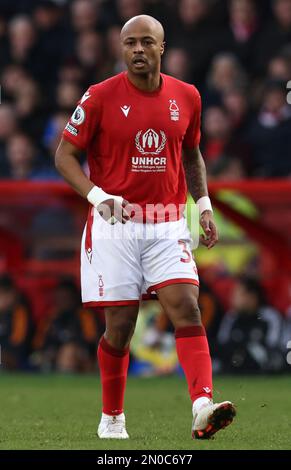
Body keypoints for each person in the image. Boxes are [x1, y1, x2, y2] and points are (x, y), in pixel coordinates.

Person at [55, 14, 236, 440]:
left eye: (145, 42)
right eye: (130, 43)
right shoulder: (99, 97)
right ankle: (112, 417)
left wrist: (204, 205)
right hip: (114, 224)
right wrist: (98, 197)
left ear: (161, 47)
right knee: (120, 328)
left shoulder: (187, 96)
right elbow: (64, 156)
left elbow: (191, 155)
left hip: (166, 222)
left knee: (186, 306)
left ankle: (202, 405)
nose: (137, 49)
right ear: (122, 49)